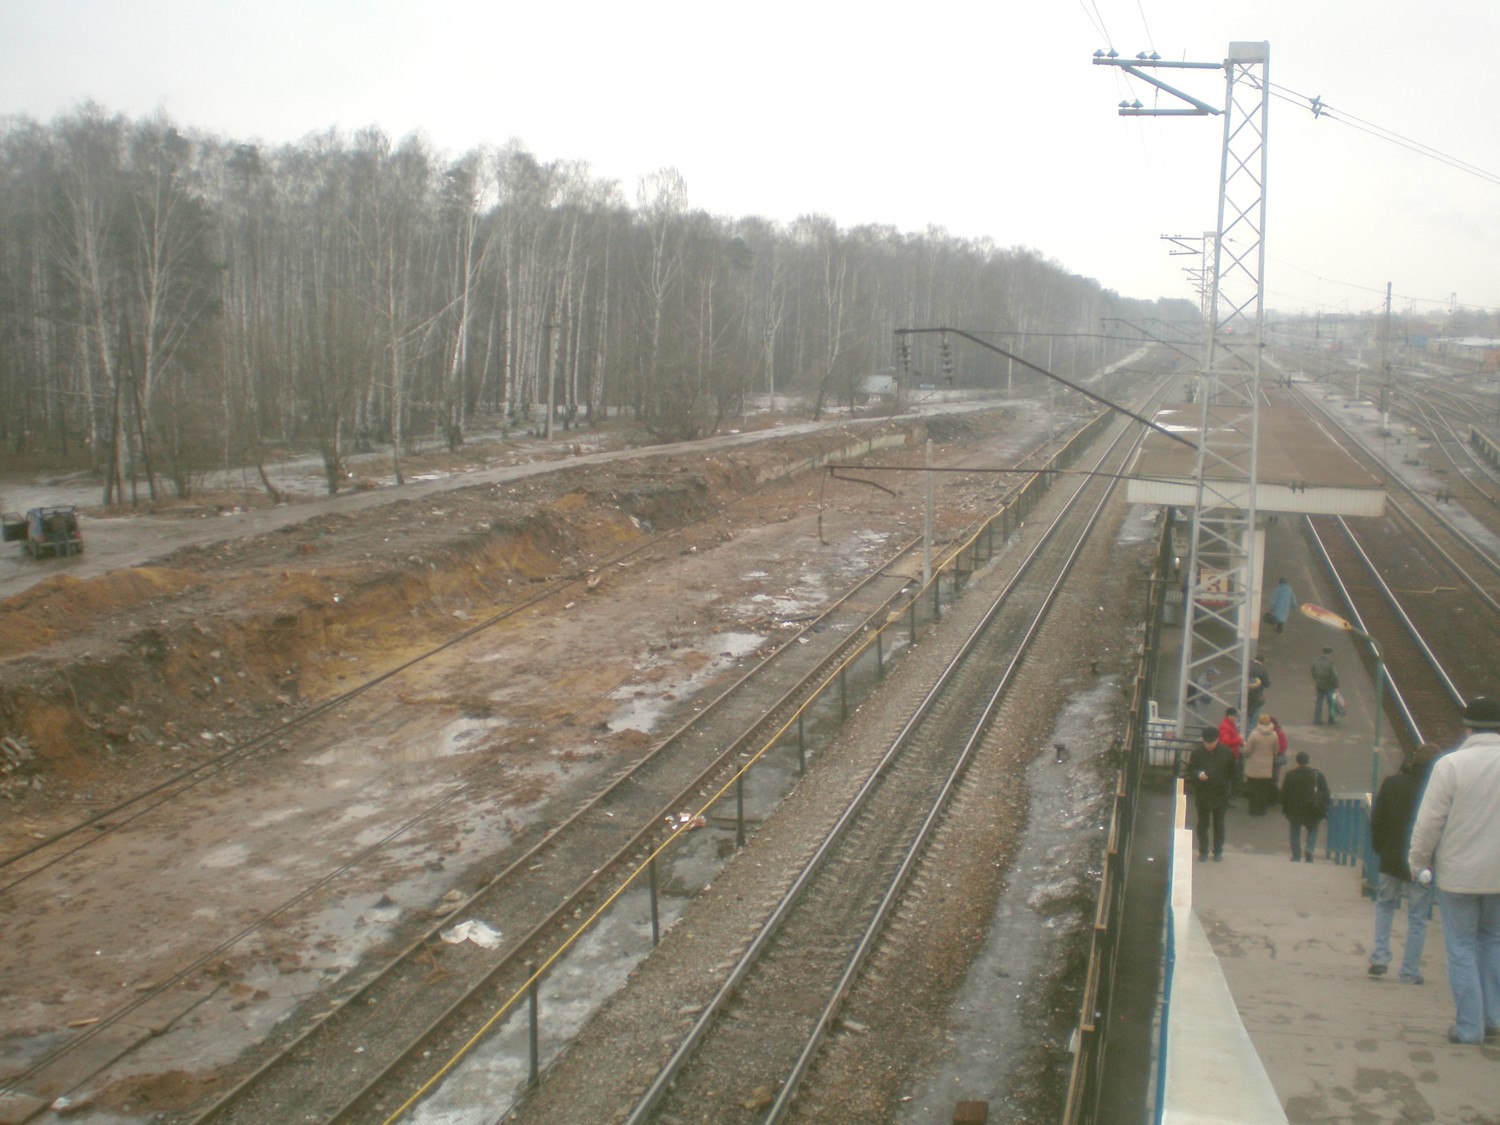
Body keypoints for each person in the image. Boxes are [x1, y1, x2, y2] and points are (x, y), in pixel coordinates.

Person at [1407, 696, 1500, 1045]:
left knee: (1461, 947)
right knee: (1493, 943)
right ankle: (1493, 1019)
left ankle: (1468, 1028)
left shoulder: (1451, 765)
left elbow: (1429, 822)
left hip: (1459, 875)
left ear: (1468, 727)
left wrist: (1418, 862)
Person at [1368, 742, 1440, 983]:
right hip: (1421, 864)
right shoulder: (1436, 790)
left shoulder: (1392, 783)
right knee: (1418, 916)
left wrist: (1380, 849)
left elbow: (1377, 820)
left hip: (1391, 857)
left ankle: (1379, 958)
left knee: (1385, 905)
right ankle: (1409, 970)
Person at [1187, 725, 1235, 862]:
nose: (1209, 746)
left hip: (1220, 794)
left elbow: (1233, 773)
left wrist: (1233, 791)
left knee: (1219, 825)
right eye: (1206, 743)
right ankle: (1203, 851)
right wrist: (1198, 775)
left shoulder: (1226, 753)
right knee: (1203, 825)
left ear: (1217, 740)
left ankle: (1218, 851)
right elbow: (1191, 770)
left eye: (1212, 743)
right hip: (1203, 794)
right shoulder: (1197, 753)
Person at [1280, 750, 1330, 862]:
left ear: (1297, 761)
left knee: (1294, 831)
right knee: (1313, 828)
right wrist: (1324, 806)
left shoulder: (1290, 775)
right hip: (1312, 808)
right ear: (1308, 761)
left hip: (1294, 809)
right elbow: (1326, 792)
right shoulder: (1317, 775)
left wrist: (1284, 807)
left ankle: (1296, 855)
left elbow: (1284, 793)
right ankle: (1309, 849)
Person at [1242, 713, 1280, 816]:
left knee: (1254, 789)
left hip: (1254, 766)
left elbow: (1247, 750)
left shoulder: (1254, 734)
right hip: (1267, 767)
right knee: (1264, 789)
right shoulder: (1274, 734)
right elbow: (1276, 750)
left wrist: (1248, 754)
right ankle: (1262, 810)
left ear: (1259, 722)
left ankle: (1254, 810)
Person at [1219, 706, 1245, 798]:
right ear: (1228, 716)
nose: (1235, 718)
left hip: (1232, 754)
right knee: (1228, 777)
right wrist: (1239, 740)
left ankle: (1228, 796)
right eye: (1234, 716)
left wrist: (1241, 742)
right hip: (1229, 756)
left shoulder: (1229, 725)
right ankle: (1226, 797)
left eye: (1236, 716)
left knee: (1230, 776)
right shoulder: (1225, 727)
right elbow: (1226, 741)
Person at [1311, 646, 1340, 724]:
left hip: (1319, 684)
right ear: (1330, 653)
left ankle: (1317, 719)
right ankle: (1331, 719)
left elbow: (1312, 671)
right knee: (1331, 703)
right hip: (1329, 686)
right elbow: (1334, 675)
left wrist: (1316, 679)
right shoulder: (1330, 662)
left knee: (1319, 702)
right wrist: (1336, 686)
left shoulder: (1317, 661)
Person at [1247, 654, 1271, 722]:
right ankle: (1250, 729)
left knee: (1242, 711)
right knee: (1254, 713)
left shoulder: (1247, 665)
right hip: (1256, 694)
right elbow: (1267, 684)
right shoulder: (1262, 670)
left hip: (1244, 692)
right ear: (1262, 661)